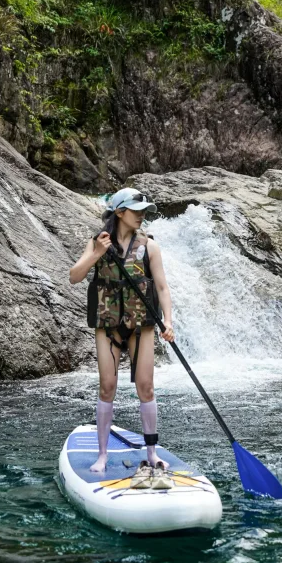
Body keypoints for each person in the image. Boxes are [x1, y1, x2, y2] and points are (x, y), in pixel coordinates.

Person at [68, 187, 176, 488]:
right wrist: (98, 254)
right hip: (108, 326)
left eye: (143, 211)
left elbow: (163, 289)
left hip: (142, 326)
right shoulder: (97, 242)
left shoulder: (150, 247)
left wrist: (169, 321)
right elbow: (74, 276)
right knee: (107, 386)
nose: (141, 215)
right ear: (119, 212)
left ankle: (152, 453)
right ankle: (102, 455)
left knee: (146, 386)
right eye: (135, 210)